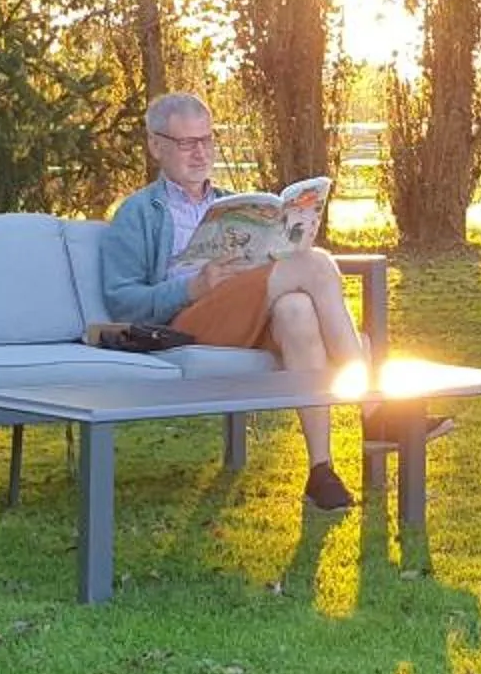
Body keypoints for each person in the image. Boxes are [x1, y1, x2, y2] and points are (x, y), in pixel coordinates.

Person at [101, 92, 401, 511]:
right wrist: (192, 287)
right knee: (314, 263)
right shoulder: (139, 213)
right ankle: (376, 411)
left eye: (207, 140)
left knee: (296, 312)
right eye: (187, 143)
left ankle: (321, 470)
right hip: (188, 322)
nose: (200, 152)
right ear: (156, 145)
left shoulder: (231, 203)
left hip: (248, 313)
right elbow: (121, 302)